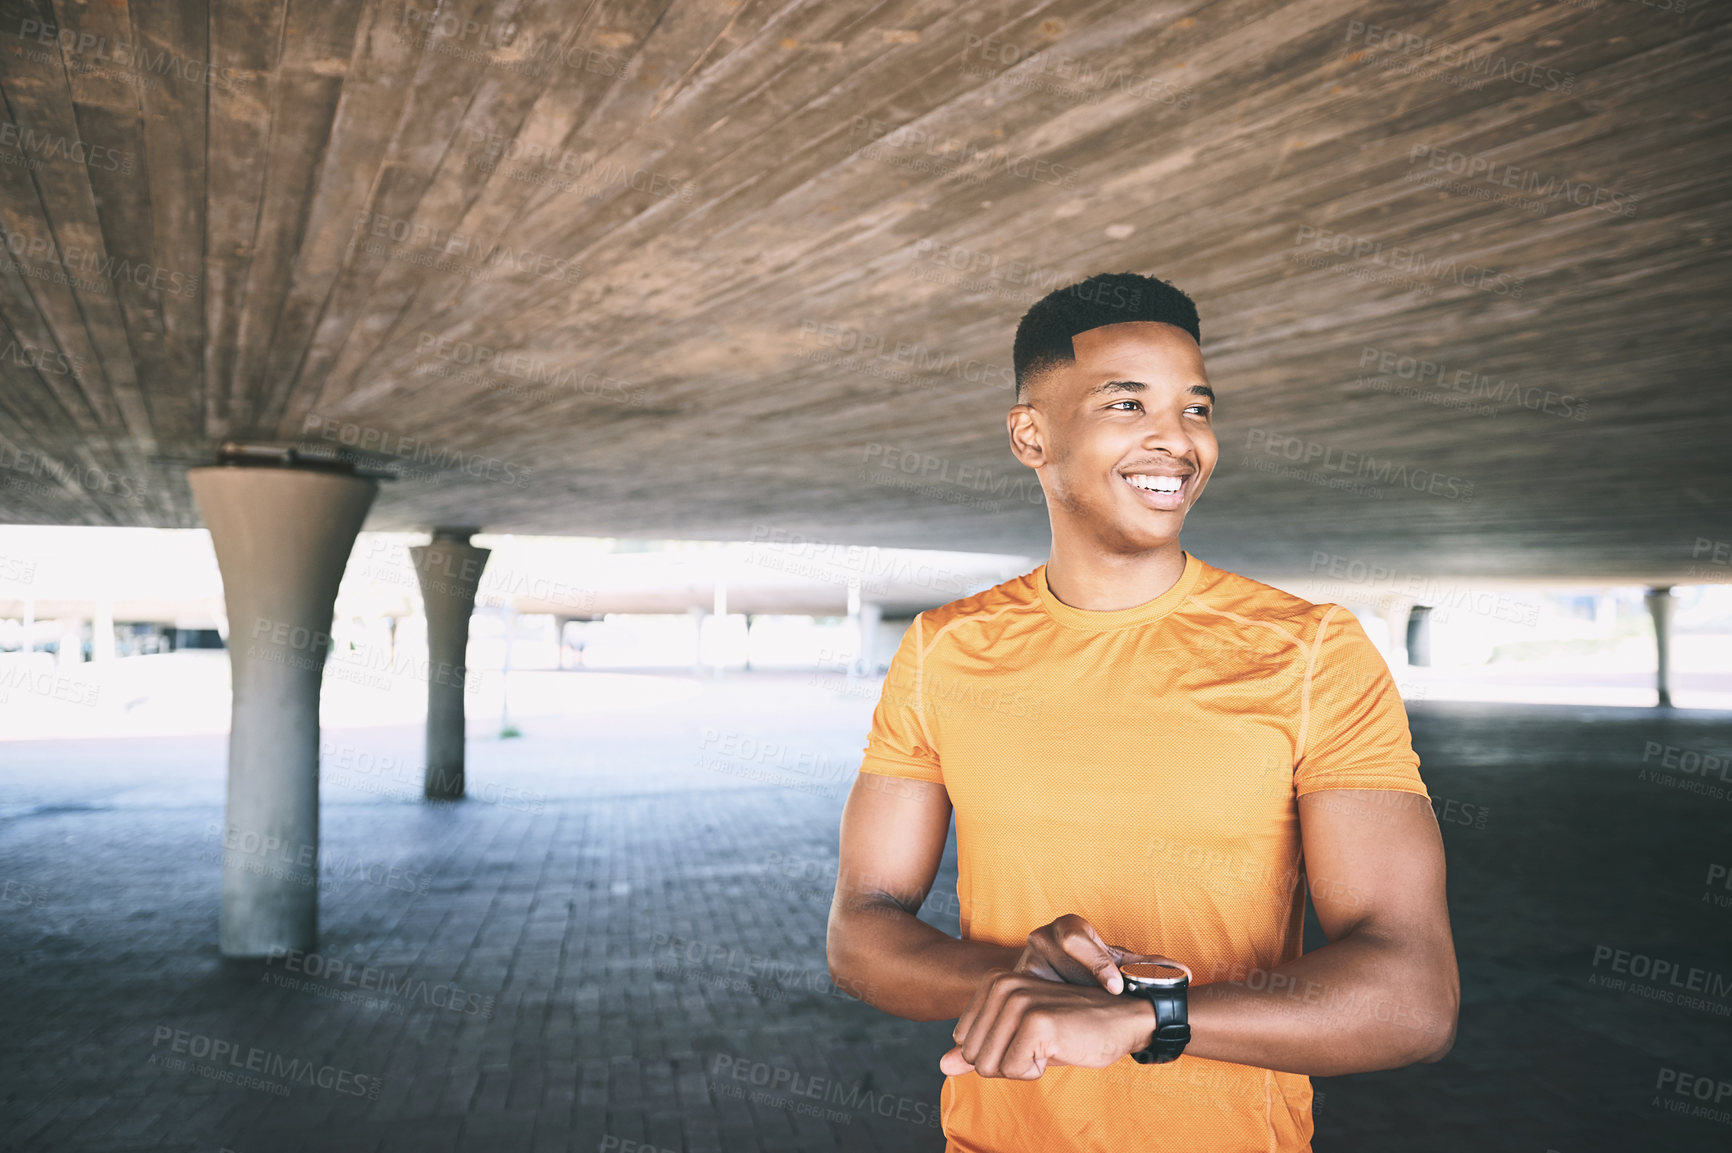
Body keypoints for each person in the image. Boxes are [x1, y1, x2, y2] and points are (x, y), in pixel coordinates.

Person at [825, 272, 1459, 1152]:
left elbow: (1414, 996)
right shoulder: (942, 650)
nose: (1176, 440)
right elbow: (862, 929)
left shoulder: (1311, 650)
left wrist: (1143, 1017)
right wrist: (1017, 974)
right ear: (1031, 434)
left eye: (1196, 410)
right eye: (1128, 404)